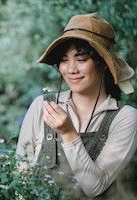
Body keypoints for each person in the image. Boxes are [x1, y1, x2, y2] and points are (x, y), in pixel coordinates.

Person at [16, 13, 137, 199]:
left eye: (81, 59)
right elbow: (20, 176)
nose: (71, 69)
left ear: (103, 64)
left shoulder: (125, 118)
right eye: (64, 60)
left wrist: (68, 133)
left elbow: (95, 188)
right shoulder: (42, 106)